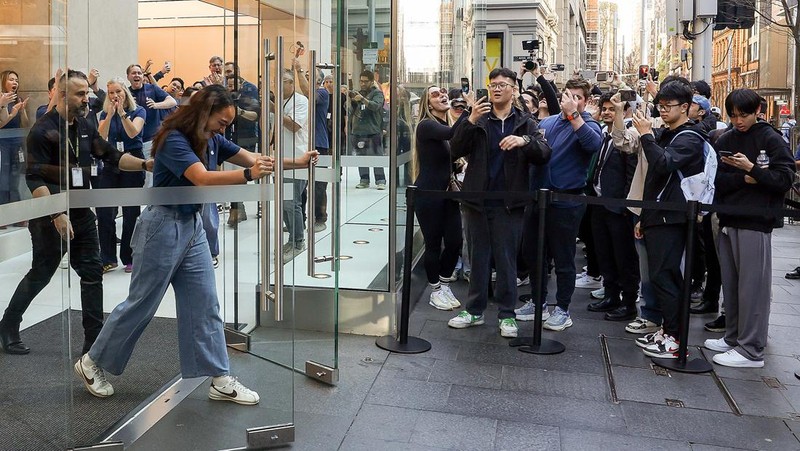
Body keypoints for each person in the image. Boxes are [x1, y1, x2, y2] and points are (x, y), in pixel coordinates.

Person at [76, 85, 313, 404]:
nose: (224, 129)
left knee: (205, 303)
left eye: (227, 124)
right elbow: (201, 177)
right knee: (141, 304)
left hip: (192, 225)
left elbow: (255, 159)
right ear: (204, 113)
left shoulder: (212, 137)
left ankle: (219, 377)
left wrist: (298, 162)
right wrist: (247, 175)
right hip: (162, 226)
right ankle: (92, 362)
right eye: (222, 122)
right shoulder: (175, 139)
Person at [0, 70, 151, 355]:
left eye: (87, 93)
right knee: (41, 273)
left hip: (81, 214)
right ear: (62, 94)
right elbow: (34, 178)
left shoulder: (84, 124)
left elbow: (110, 155)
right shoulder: (42, 131)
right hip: (51, 216)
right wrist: (56, 214)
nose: (87, 99)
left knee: (92, 273)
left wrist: (145, 165)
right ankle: (8, 325)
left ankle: (93, 342)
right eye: (80, 94)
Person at [447, 67, 551, 338]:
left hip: (509, 202)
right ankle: (474, 310)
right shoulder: (479, 117)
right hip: (477, 201)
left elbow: (543, 153)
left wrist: (524, 140)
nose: (496, 88)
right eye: (492, 84)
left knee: (506, 261)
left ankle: (507, 314)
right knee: (478, 259)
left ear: (513, 89)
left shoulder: (525, 121)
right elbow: (454, 149)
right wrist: (469, 120)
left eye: (502, 84)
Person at [704, 88, 795, 368]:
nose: (738, 121)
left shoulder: (771, 138)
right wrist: (745, 177)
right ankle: (733, 336)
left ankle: (751, 348)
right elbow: (714, 178)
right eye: (733, 115)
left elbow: (784, 178)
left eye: (743, 115)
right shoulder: (726, 138)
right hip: (728, 218)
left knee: (752, 288)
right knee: (731, 285)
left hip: (756, 221)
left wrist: (753, 169)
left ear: (757, 111)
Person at [516, 78, 602, 331]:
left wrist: (574, 115)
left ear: (586, 101)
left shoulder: (589, 124)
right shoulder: (548, 122)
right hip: (538, 197)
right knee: (534, 253)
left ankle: (563, 308)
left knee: (564, 258)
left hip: (567, 200)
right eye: (568, 95)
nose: (571, 101)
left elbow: (593, 144)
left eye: (577, 97)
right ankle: (538, 301)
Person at [630, 80, 705, 359]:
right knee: (659, 276)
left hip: (672, 216)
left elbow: (663, 164)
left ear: (685, 107)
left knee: (666, 276)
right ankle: (667, 330)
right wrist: (644, 216)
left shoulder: (690, 137)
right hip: (657, 214)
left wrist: (646, 136)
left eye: (668, 106)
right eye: (659, 105)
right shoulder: (668, 133)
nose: (662, 110)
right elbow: (654, 178)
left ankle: (675, 337)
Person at [584, 92, 639, 321]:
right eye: (604, 108)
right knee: (604, 253)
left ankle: (628, 302)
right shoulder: (602, 134)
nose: (607, 112)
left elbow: (631, 172)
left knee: (623, 257)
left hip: (618, 207)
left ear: (625, 111)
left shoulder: (629, 135)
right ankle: (610, 295)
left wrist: (626, 205)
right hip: (599, 203)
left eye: (613, 108)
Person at [413, 85, 466, 310]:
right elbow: (452, 134)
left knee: (455, 242)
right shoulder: (426, 125)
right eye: (435, 94)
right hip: (428, 194)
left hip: (446, 194)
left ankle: (444, 285)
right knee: (433, 244)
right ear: (428, 103)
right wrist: (469, 111)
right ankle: (435, 290)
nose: (442, 95)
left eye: (443, 91)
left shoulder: (446, 126)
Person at [96, 77, 147, 274]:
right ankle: (107, 258)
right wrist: (109, 116)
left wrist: (122, 114)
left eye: (118, 91)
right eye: (111, 92)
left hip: (132, 160)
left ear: (125, 91)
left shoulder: (138, 111)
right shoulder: (104, 113)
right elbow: (101, 136)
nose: (115, 95)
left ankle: (129, 256)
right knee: (104, 210)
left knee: (131, 211)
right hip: (111, 160)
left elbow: (133, 133)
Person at [292, 61, 330, 233]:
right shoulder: (300, 98)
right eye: (305, 75)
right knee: (301, 184)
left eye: (309, 76)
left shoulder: (322, 93)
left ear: (319, 81)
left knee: (319, 185)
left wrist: (298, 70)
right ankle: (301, 219)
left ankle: (320, 218)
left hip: (319, 144)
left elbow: (309, 93)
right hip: (304, 144)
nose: (305, 77)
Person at [277, 70, 310, 262]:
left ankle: (298, 241)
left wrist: (274, 110)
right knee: (283, 203)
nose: (277, 85)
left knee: (292, 202)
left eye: (281, 81)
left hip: (297, 158)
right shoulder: (279, 102)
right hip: (280, 158)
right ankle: (291, 237)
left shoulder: (300, 101)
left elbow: (294, 126)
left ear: (291, 83)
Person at [126, 63, 177, 187]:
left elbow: (172, 101)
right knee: (134, 178)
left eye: (139, 73)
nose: (137, 75)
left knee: (150, 177)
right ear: (128, 76)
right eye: (133, 73)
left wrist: (156, 105)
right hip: (133, 143)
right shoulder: (126, 92)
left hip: (150, 141)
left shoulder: (152, 88)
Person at [344, 70, 386, 189]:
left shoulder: (377, 93)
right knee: (361, 157)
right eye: (361, 81)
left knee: (377, 156)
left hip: (373, 130)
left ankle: (380, 180)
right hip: (358, 131)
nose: (362, 84)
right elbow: (351, 110)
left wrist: (362, 99)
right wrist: (351, 100)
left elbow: (375, 106)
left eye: (365, 81)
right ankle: (364, 179)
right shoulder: (359, 93)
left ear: (371, 81)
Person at [0, 70, 29, 214]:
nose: (15, 83)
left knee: (15, 177)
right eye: (11, 79)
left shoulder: (18, 99)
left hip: (17, 144)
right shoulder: (1, 99)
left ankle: (16, 212)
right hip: (3, 144)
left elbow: (26, 124)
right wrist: (8, 109)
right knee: (3, 177)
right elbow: (2, 123)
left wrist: (22, 110)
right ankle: (4, 211)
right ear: (3, 81)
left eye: (16, 80)